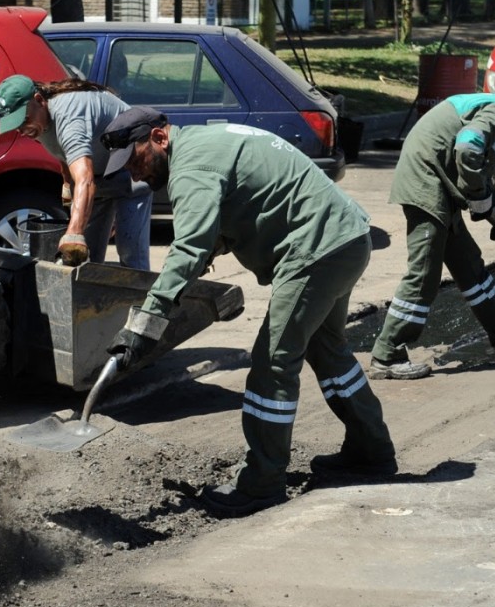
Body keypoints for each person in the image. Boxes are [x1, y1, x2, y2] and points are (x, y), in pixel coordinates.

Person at [100, 106, 396, 518]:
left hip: (317, 250)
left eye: (135, 160)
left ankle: (261, 482)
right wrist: (210, 249)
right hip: (345, 238)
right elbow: (241, 203)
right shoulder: (208, 142)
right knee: (327, 351)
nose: (134, 175)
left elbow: (187, 248)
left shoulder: (190, 167)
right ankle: (371, 450)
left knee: (273, 361)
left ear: (159, 138)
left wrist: (144, 325)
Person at [368, 72, 495, 381]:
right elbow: (468, 150)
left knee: (469, 265)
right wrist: (480, 200)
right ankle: (387, 355)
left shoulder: (494, 108)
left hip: (439, 189)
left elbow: (479, 167)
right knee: (424, 272)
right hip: (426, 189)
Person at [0, 75, 151, 270]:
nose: (22, 130)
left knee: (130, 257)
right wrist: (67, 183)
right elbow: (63, 151)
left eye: (24, 120)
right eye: (16, 125)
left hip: (133, 174)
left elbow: (85, 179)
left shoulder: (70, 117)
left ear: (39, 100)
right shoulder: (38, 122)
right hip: (102, 177)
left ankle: (145, 300)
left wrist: (74, 233)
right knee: (87, 261)